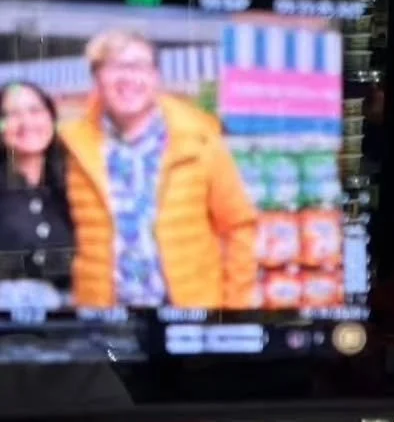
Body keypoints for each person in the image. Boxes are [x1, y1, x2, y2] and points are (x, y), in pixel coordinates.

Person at [59, 29, 259, 310]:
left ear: (155, 76)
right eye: (114, 67)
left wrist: (235, 308)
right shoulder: (72, 146)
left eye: (139, 66)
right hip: (105, 318)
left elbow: (239, 226)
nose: (128, 78)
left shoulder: (200, 140)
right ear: (96, 78)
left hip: (189, 315)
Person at [0, 80, 75, 308]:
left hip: (76, 318)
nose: (26, 123)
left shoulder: (78, 180)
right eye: (11, 115)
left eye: (35, 111)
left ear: (51, 117)